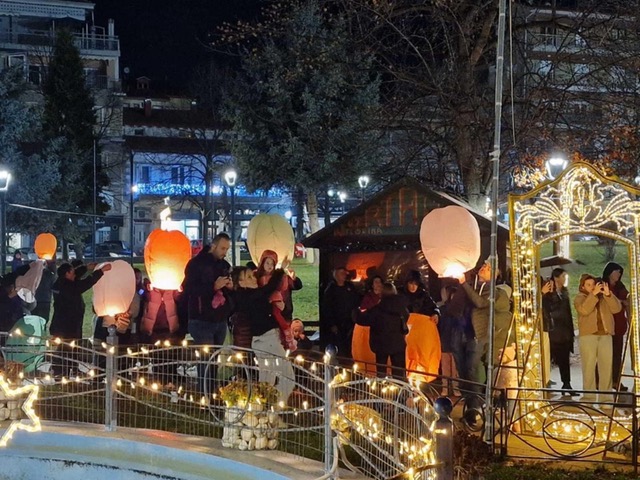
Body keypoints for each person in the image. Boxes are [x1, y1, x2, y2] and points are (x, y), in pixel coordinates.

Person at [231, 266, 295, 402]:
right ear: (241, 283)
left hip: (264, 340)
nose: (254, 279)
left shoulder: (247, 296)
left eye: (252, 276)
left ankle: (263, 410)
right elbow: (269, 288)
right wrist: (279, 270)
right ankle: (274, 408)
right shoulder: (249, 297)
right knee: (287, 377)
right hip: (267, 341)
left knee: (267, 380)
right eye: (248, 277)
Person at [49, 262, 111, 376]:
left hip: (64, 324)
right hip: (68, 325)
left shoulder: (60, 283)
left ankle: (71, 368)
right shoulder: (69, 287)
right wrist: (101, 271)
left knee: (71, 347)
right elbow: (86, 283)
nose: (74, 273)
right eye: (72, 271)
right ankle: (62, 371)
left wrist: (86, 267)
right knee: (68, 348)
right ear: (67, 274)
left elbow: (76, 275)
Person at [575, 274, 621, 402]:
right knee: (588, 368)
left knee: (606, 367)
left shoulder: (604, 297)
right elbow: (584, 310)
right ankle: (588, 398)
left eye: (593, 284)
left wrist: (608, 295)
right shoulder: (580, 298)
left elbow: (617, 309)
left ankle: (606, 399)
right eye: (588, 285)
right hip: (588, 336)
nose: (591, 287)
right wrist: (593, 295)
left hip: (605, 335)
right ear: (582, 286)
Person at [183, 233, 233, 348]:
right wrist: (213, 287)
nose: (225, 252)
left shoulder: (224, 265)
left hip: (220, 319)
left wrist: (230, 287)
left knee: (214, 358)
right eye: (222, 248)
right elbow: (189, 289)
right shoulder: (196, 264)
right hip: (201, 319)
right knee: (206, 359)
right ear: (213, 246)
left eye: (227, 249)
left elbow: (229, 292)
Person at [356, 282, 409, 380]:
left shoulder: (378, 309)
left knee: (381, 371)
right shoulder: (402, 307)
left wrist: (356, 311)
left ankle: (382, 390)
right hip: (398, 342)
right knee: (399, 372)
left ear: (382, 293)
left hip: (381, 343)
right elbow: (406, 317)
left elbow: (363, 320)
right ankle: (401, 392)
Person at [541, 268, 576, 395]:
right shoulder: (549, 292)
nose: (565, 279)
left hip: (565, 330)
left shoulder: (564, 292)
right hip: (553, 329)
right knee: (549, 358)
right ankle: (545, 382)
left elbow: (567, 312)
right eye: (563, 276)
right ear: (556, 278)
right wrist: (544, 294)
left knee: (565, 359)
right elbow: (546, 308)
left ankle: (567, 383)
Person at [321, 267, 360, 359]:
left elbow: (356, 301)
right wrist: (332, 324)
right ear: (336, 275)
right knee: (340, 347)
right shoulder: (330, 290)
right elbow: (327, 308)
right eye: (341, 273)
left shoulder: (350, 287)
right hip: (337, 323)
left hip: (350, 321)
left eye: (345, 273)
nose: (344, 275)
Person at [602, 262, 630, 391]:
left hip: (619, 325)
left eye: (620, 272)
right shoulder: (604, 286)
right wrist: (620, 302)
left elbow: (628, 299)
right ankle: (603, 381)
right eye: (616, 272)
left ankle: (616, 380)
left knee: (617, 355)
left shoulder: (620, 287)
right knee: (605, 355)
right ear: (610, 272)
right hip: (607, 326)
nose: (618, 274)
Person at [352, 275, 383, 375]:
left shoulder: (386, 297)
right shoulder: (368, 297)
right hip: (370, 329)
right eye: (376, 282)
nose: (378, 284)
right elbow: (363, 311)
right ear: (372, 285)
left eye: (379, 282)